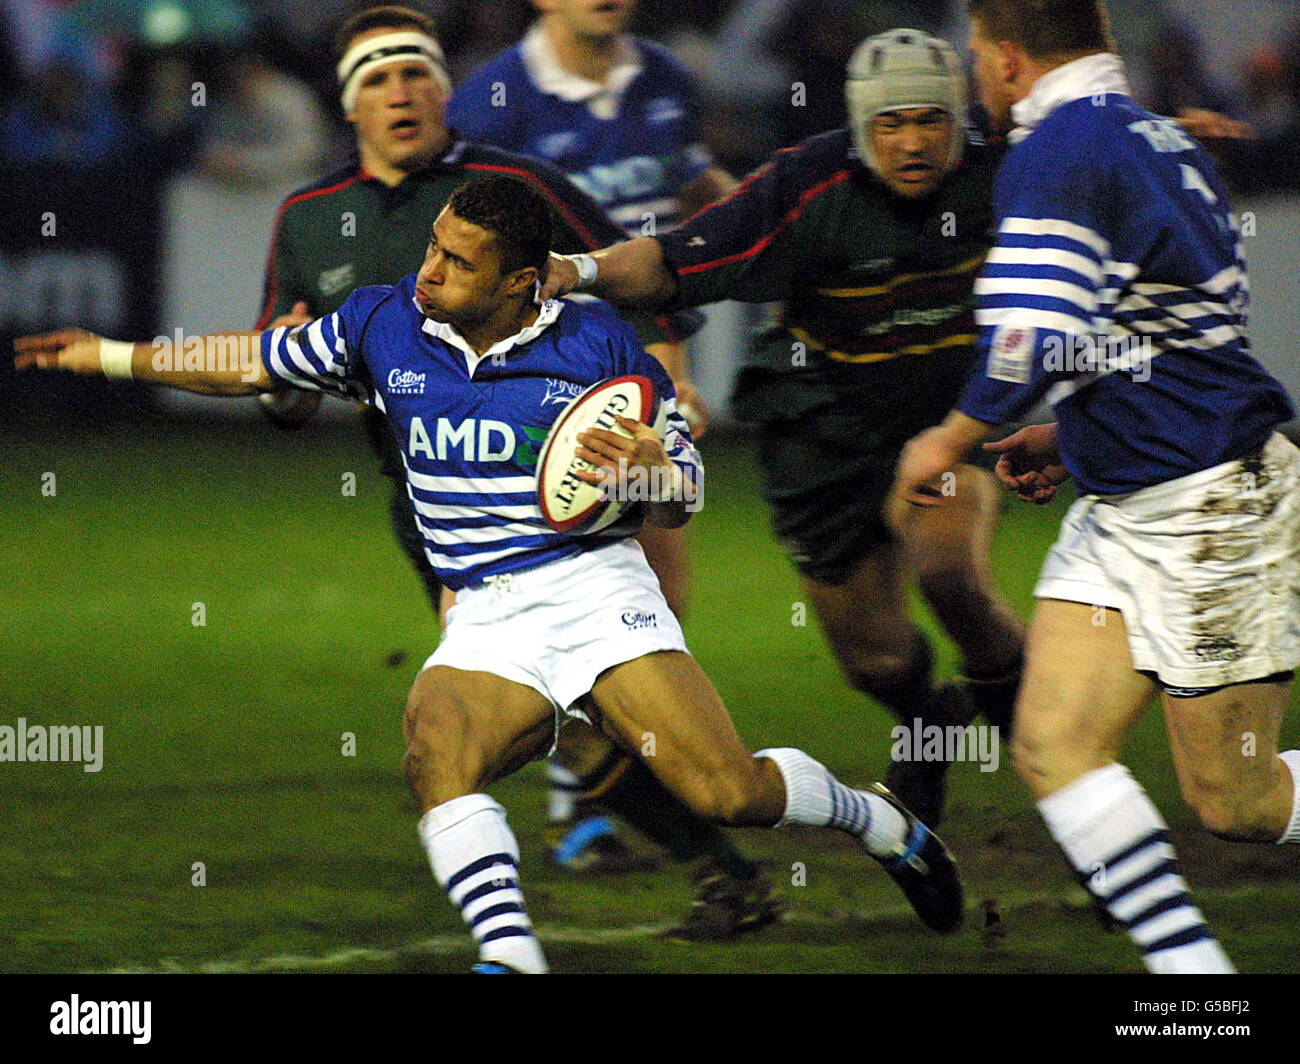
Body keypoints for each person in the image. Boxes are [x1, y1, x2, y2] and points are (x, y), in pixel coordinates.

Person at [16, 174, 966, 974]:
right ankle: (511, 956)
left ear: (520, 283)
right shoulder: (384, 321)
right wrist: (109, 354)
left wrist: (652, 475)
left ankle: (878, 823)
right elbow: (256, 364)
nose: (426, 270)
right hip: (487, 612)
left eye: (455, 262)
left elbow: (683, 491)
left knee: (732, 797)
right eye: (431, 248)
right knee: (437, 749)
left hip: (597, 594)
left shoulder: (599, 348)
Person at [257, 4, 778, 932]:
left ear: (443, 85)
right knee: (565, 727)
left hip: (573, 490)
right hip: (439, 513)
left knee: (585, 706)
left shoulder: (517, 186)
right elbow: (283, 379)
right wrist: (279, 387)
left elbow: (623, 280)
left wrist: (672, 394)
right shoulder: (308, 217)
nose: (401, 92)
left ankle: (694, 845)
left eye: (415, 71)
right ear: (349, 106)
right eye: (377, 79)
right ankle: (701, 855)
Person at [892, 0, 1300, 974]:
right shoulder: (1154, 139)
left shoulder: (1059, 147)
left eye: (974, 61)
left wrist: (948, 437)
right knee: (1050, 743)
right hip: (1128, 498)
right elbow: (1170, 327)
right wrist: (1073, 434)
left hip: (1211, 503)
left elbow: (1030, 334)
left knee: (1235, 804)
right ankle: (1192, 979)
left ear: (1001, 57)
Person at [540, 28, 1028, 827]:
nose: (912, 142)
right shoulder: (805, 184)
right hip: (822, 430)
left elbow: (1108, 165)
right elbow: (671, 260)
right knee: (872, 658)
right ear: (862, 128)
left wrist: (1169, 138)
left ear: (959, 121)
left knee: (951, 576)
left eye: (929, 121)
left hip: (944, 428)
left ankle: (1068, 785)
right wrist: (581, 270)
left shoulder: (1011, 167)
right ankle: (928, 722)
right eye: (891, 124)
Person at [446, 0, 740, 884]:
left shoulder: (666, 79)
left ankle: (605, 802)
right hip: (546, 375)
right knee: (554, 598)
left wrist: (770, 241)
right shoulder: (491, 101)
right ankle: (582, 815)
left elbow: (689, 203)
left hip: (646, 357)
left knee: (658, 600)